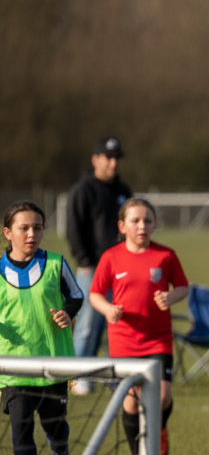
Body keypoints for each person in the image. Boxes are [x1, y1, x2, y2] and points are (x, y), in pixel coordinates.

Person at [90, 198, 189, 455]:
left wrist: (170, 297)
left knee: (163, 396)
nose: (142, 226)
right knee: (131, 402)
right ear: (122, 226)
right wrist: (108, 309)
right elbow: (95, 294)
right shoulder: (111, 257)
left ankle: (160, 429)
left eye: (148, 220)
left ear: (155, 225)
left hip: (158, 339)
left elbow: (183, 287)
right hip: (123, 341)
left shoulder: (165, 256)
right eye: (135, 221)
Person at [0, 201, 81, 455]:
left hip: (52, 363)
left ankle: (60, 454)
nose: (32, 234)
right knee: (21, 428)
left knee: (54, 425)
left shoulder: (55, 264)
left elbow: (76, 295)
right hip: (13, 367)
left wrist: (67, 312)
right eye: (24, 228)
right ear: (8, 232)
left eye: (38, 227)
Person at [65, 136, 132, 395]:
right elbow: (73, 228)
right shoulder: (83, 190)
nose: (113, 163)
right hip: (92, 270)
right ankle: (79, 377)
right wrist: (84, 261)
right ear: (95, 159)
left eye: (116, 158)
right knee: (87, 325)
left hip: (122, 270)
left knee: (117, 324)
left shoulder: (124, 191)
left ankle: (116, 376)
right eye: (108, 158)